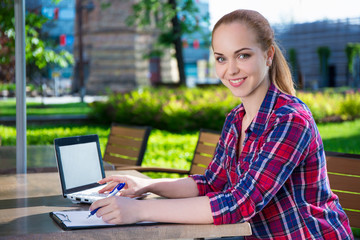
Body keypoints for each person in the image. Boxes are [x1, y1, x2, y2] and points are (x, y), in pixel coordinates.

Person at [90, 9, 353, 239]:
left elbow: (241, 203)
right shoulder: (235, 119)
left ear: (268, 54)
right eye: (221, 58)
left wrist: (139, 210)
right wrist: (146, 185)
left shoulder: (290, 120)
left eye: (243, 56)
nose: (231, 70)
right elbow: (212, 183)